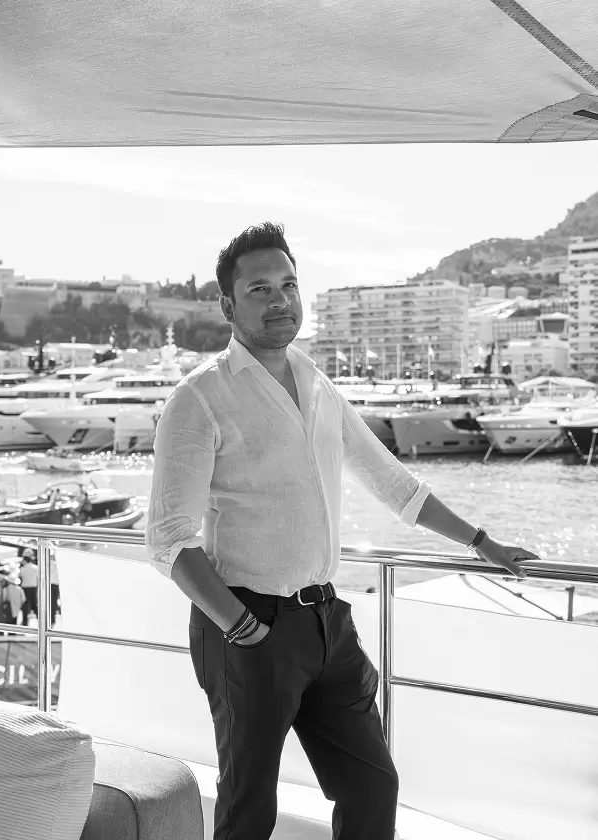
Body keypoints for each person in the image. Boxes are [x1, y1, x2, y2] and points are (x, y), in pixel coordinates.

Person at [146, 222, 539, 840]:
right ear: (227, 305)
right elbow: (168, 538)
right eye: (260, 290)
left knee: (372, 786)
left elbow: (393, 483)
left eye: (289, 284)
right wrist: (242, 626)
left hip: (326, 624)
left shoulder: (315, 383)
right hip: (246, 625)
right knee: (249, 808)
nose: (280, 301)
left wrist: (479, 541)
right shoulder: (200, 398)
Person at [19, 549, 38, 626]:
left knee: (25, 608)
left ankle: (25, 623)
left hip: (25, 589)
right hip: (33, 588)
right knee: (34, 606)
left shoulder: (22, 569)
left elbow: (20, 578)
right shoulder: (36, 568)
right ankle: (41, 622)